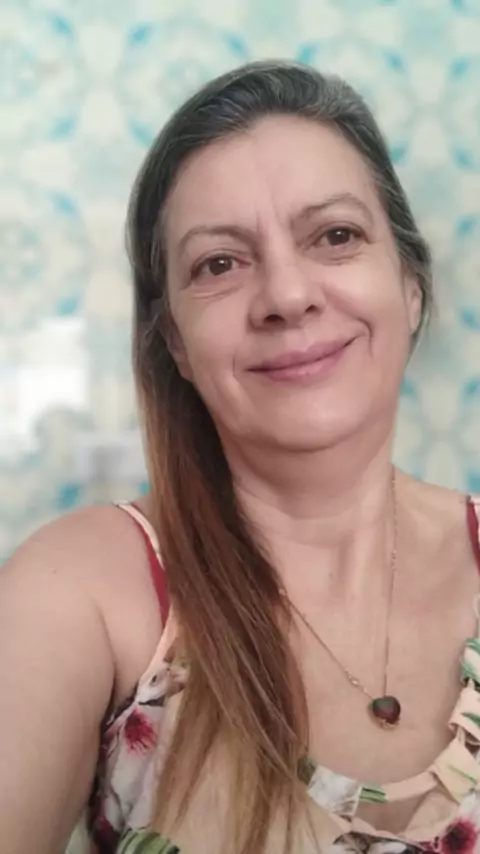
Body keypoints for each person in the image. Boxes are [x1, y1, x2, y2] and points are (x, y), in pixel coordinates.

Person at [2, 59, 480, 854]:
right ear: (175, 344)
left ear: (411, 285)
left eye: (335, 236)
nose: (287, 296)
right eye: (219, 263)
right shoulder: (80, 591)